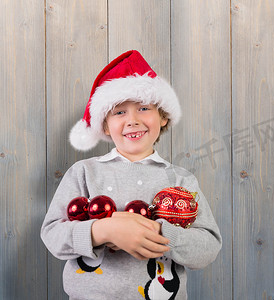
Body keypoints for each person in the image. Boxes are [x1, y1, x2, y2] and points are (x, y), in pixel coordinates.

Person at [41, 50, 222, 300]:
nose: (132, 120)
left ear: (163, 117)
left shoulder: (181, 181)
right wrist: (104, 230)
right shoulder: (83, 173)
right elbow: (52, 235)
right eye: (119, 112)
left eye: (144, 108)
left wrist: (159, 233)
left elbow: (208, 247)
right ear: (104, 124)